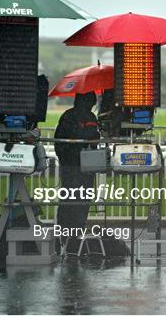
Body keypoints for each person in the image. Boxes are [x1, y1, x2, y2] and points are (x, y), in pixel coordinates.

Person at [54, 92, 100, 230]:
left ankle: (64, 229)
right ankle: (77, 227)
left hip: (69, 165)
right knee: (82, 198)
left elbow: (59, 142)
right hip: (82, 166)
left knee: (69, 197)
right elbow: (91, 137)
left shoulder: (67, 115)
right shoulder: (89, 117)